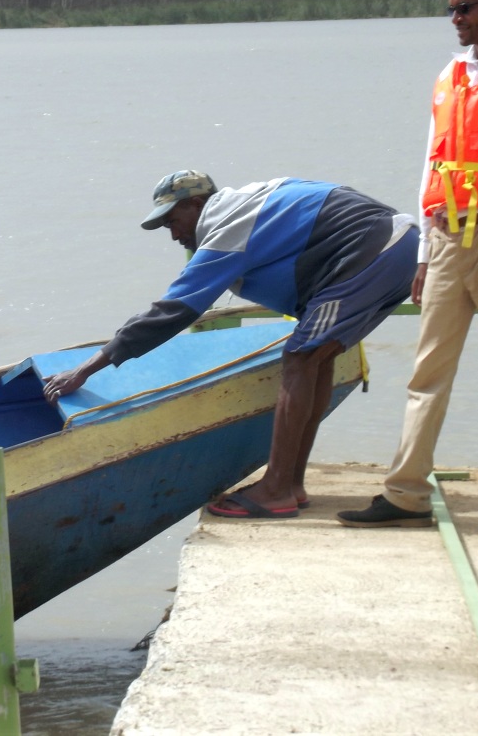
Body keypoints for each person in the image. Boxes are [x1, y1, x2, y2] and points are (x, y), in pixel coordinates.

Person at [43, 170, 418, 519]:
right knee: (313, 358)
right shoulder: (250, 202)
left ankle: (276, 490)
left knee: (301, 360)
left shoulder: (226, 226)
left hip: (375, 251)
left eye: (172, 221)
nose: (174, 235)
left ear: (196, 205)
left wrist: (85, 369)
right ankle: (290, 484)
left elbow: (173, 310)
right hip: (397, 246)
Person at [339, 0, 478, 529]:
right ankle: (404, 493)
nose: (455, 18)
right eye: (451, 8)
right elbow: (433, 162)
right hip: (449, 237)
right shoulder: (451, 75)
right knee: (428, 371)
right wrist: (424, 255)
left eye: (465, 7)